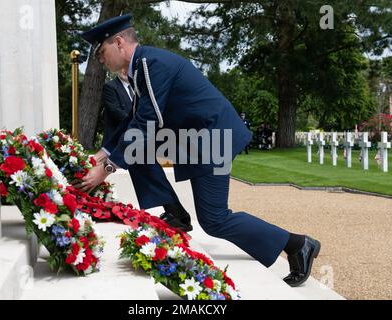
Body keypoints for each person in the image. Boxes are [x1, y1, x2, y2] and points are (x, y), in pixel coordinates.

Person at [77, 14, 321, 287]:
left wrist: (107, 169)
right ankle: (176, 214)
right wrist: (99, 156)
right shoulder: (141, 67)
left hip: (214, 138)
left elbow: (147, 123)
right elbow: (131, 121)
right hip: (196, 139)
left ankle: (298, 244)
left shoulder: (149, 64)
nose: (100, 59)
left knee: (214, 219)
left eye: (101, 52)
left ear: (119, 43)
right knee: (137, 150)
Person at [100, 69, 192, 231]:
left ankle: (177, 213)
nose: (123, 71)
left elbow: (144, 114)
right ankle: (176, 213)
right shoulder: (111, 87)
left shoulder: (139, 87)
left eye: (125, 68)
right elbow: (116, 112)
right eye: (120, 68)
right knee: (149, 170)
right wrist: (136, 127)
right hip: (127, 138)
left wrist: (139, 128)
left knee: (153, 172)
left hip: (141, 136)